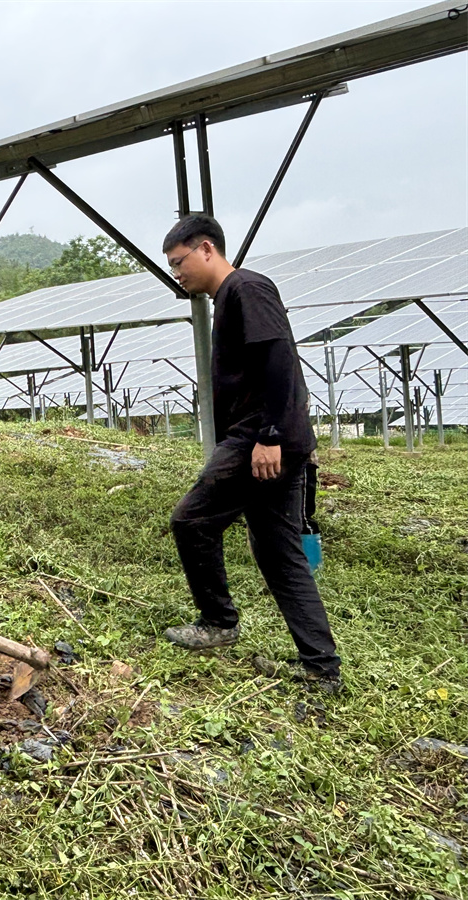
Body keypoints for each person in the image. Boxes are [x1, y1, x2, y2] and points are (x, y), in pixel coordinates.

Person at [161, 214, 341, 694]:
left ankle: (218, 622)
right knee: (280, 555)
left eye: (180, 263)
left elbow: (279, 360)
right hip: (267, 438)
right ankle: (321, 666)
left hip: (257, 439)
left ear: (205, 248)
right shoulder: (231, 298)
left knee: (191, 521)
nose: (177, 274)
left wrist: (270, 435)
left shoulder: (247, 288)